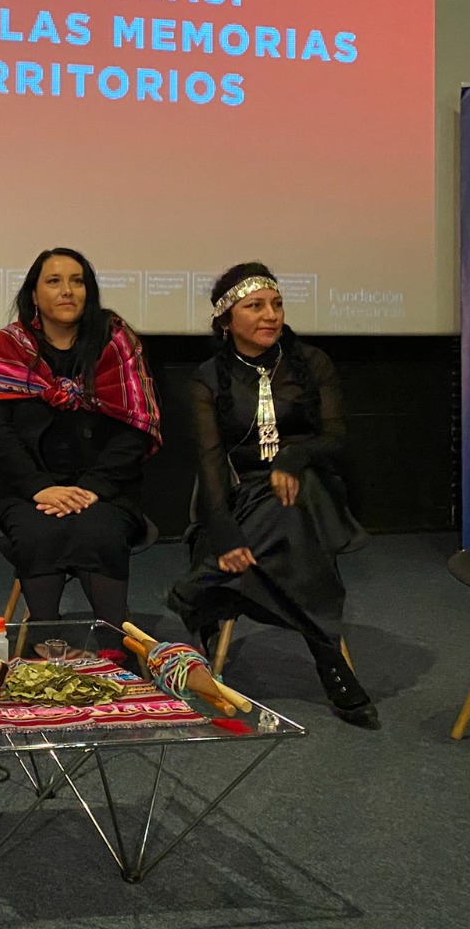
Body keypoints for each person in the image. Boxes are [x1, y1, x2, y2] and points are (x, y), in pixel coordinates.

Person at [167, 262, 378, 729]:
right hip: (243, 495)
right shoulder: (207, 378)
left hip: (309, 488)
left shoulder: (312, 362)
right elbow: (210, 462)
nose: (271, 315)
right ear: (226, 320)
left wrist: (292, 458)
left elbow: (336, 438)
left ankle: (204, 584)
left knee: (296, 502)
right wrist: (224, 533)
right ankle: (329, 658)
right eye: (256, 306)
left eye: (277, 304)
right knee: (289, 523)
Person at [0, 248, 161, 629]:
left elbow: (136, 430)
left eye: (77, 281)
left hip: (106, 489)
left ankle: (113, 644)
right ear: (34, 295)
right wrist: (39, 488)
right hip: (28, 490)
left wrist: (92, 488)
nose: (67, 290)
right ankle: (44, 642)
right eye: (54, 281)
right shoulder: (9, 347)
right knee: (39, 532)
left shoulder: (117, 343)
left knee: (98, 530)